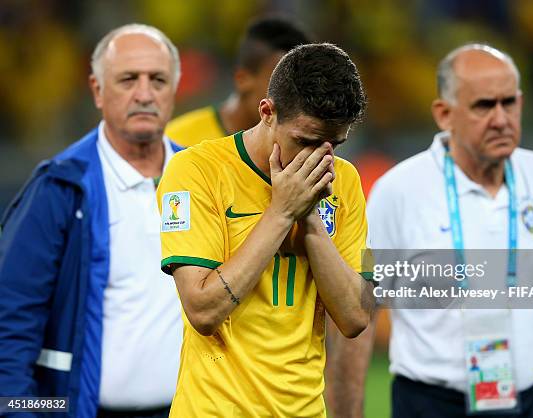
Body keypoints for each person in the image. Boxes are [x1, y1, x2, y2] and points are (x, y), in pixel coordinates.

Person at [331, 44, 533, 418]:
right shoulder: (399, 191)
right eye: (483, 105)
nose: (501, 118)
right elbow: (359, 316)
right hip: (430, 406)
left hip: (528, 403)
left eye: (509, 102)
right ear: (444, 114)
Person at [157, 43, 375, 417]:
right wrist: (281, 211)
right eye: (305, 142)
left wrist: (308, 218)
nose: (319, 160)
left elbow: (355, 317)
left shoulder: (345, 181)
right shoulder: (194, 171)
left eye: (333, 146)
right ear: (267, 112)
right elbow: (203, 311)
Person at [0, 24, 184, 418]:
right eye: (128, 79)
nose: (145, 94)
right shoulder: (60, 187)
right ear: (97, 91)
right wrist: (22, 412)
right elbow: (11, 319)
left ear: (175, 89)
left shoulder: (206, 181)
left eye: (158, 79)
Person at [166, 16, 312, 146]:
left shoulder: (304, 152)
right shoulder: (176, 144)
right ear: (243, 80)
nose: (296, 97)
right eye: (283, 83)